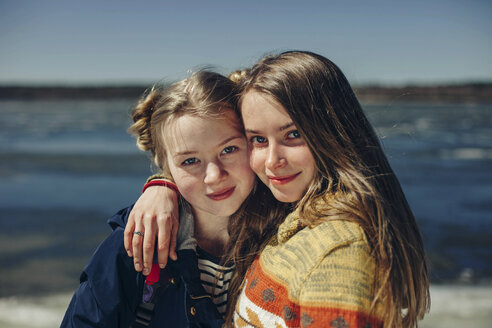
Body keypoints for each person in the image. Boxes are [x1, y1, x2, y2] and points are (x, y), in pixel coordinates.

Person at [127, 51, 430, 327]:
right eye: (258, 139)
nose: (272, 161)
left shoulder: (341, 252)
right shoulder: (282, 209)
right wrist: (164, 185)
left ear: (333, 131)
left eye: (293, 134)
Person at [61, 71, 285, 327]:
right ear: (165, 166)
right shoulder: (136, 244)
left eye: (229, 149)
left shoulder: (287, 224)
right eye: (190, 161)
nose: (214, 176)